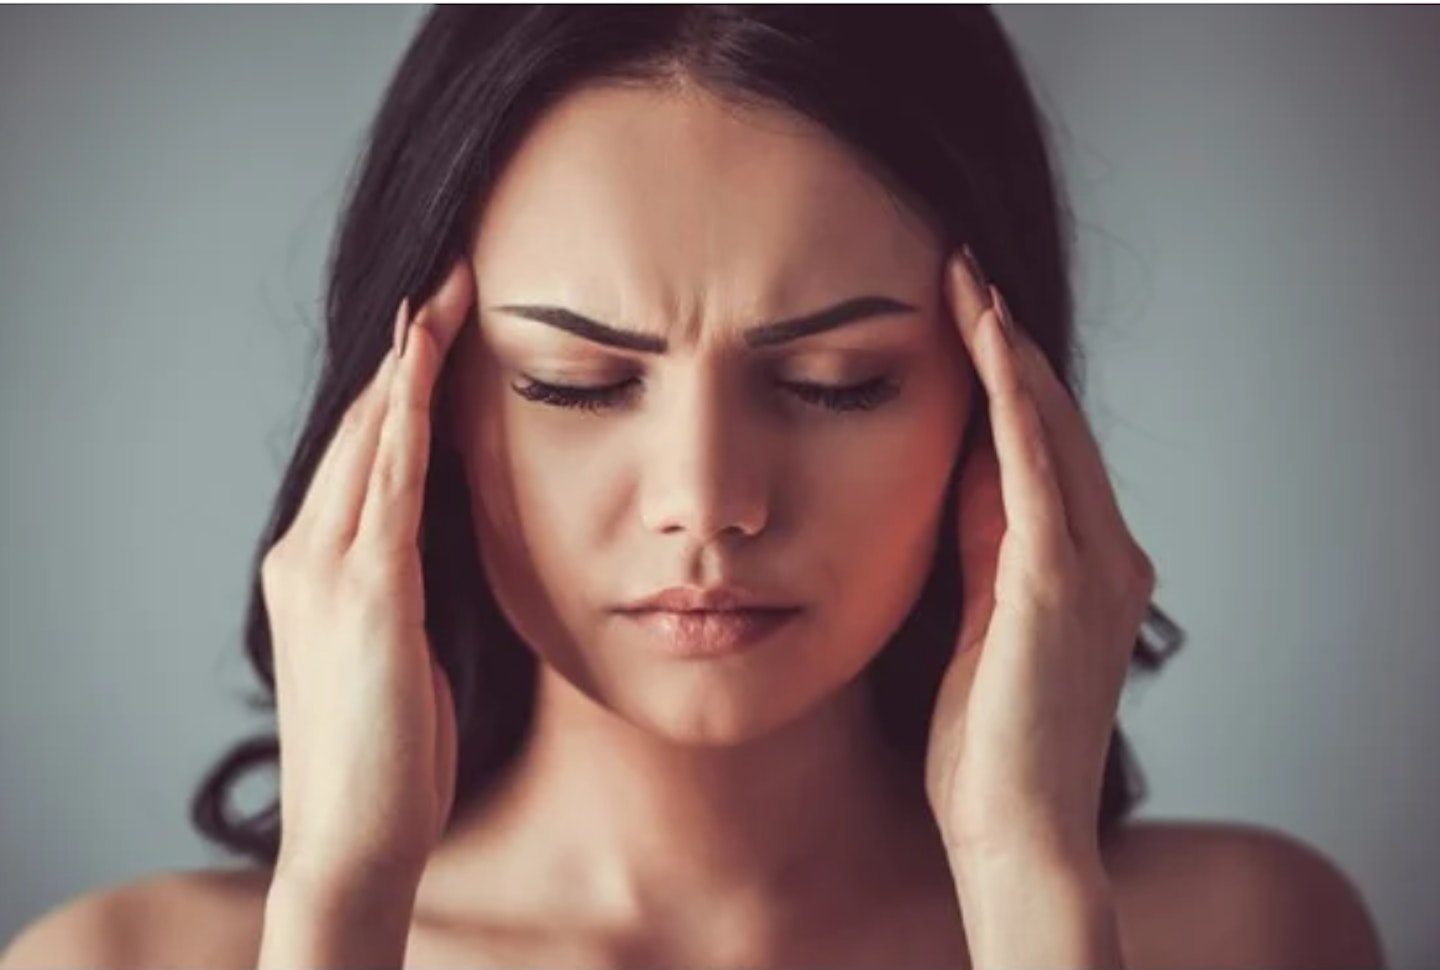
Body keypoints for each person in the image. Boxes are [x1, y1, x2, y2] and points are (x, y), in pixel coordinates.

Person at [1, 6, 1385, 969]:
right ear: (411, 408)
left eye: (837, 379)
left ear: (1007, 407)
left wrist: (1031, 887)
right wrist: (343, 907)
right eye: (577, 383)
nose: (709, 499)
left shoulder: (1248, 937)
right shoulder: (120, 957)